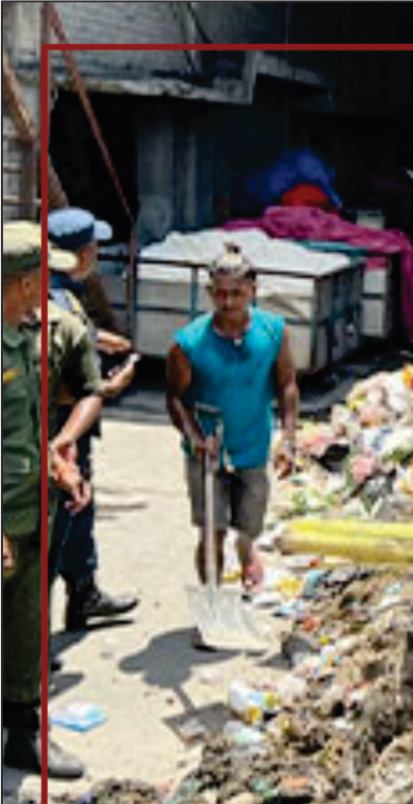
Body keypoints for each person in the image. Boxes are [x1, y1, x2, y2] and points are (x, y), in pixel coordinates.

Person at [165, 243, 298, 646]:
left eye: (237, 294)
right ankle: (211, 606)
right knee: (212, 531)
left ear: (253, 290)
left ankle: (247, 551)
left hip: (252, 446)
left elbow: (287, 385)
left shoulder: (273, 332)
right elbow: (174, 398)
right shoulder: (188, 343)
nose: (228, 303)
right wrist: (193, 437)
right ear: (210, 293)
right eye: (220, 294)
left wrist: (289, 437)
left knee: (248, 523)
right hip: (208, 452)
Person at [2, 221, 94, 778]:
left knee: (25, 627)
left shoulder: (33, 333)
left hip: (35, 508)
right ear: (21, 282)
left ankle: (23, 734)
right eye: (42, 276)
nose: (50, 285)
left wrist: (60, 457)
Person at [46, 208, 140, 630]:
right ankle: (33, 640)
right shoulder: (56, 299)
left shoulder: (59, 292)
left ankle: (84, 592)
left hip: (68, 431)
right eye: (94, 249)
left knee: (77, 513)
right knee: (58, 523)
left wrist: (97, 339)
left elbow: (71, 335)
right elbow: (63, 385)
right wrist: (108, 387)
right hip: (62, 429)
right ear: (82, 254)